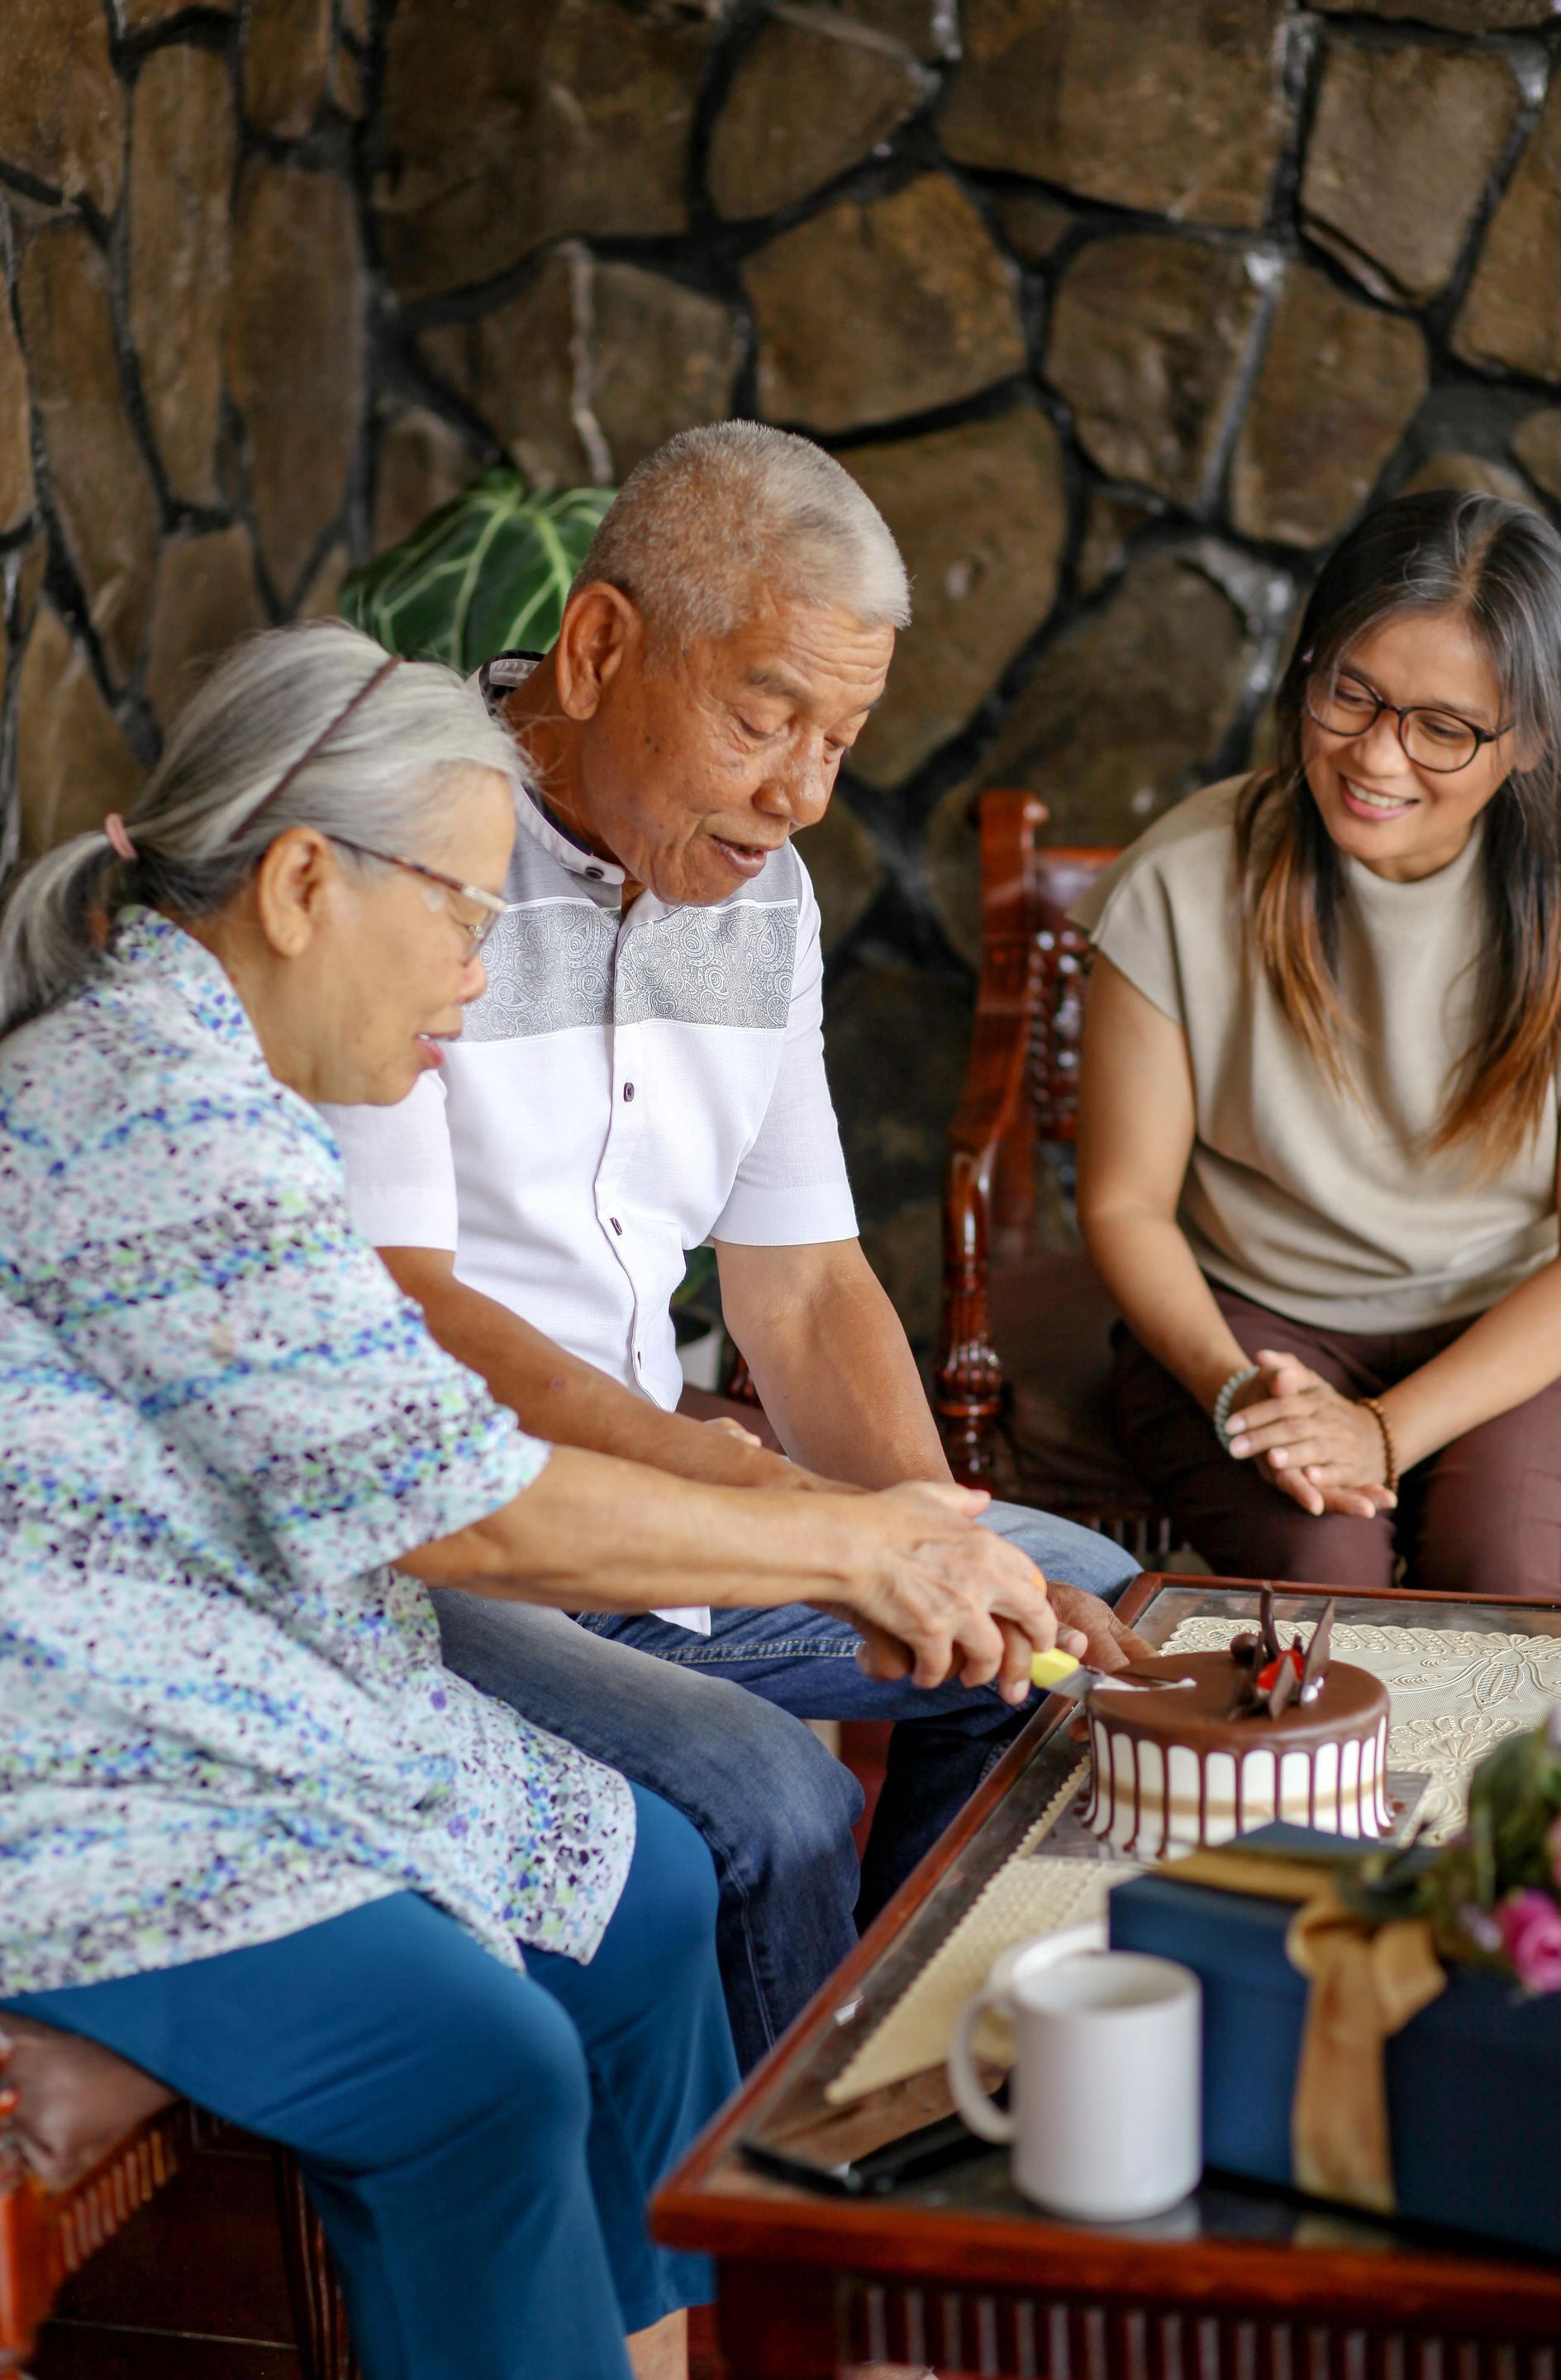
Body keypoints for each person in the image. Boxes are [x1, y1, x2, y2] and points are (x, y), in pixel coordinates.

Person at [0, 625, 1063, 2380]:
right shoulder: (148, 1110)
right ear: (298, 885)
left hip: (250, 1688)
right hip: (88, 1762)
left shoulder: (217, 1069)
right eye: (466, 918)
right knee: (480, 2071)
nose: (478, 984)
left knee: (643, 1892)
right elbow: (461, 1517)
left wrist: (837, 1514)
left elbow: (416, 1457)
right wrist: (848, 1532)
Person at [322, 423, 1145, 2041]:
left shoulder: (756, 899)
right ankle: (797, 2228)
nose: (802, 794)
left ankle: (897, 2050)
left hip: (695, 1533)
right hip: (471, 1559)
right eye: (766, 716)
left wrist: (926, 1526)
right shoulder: (403, 863)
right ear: (601, 644)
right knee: (772, 1805)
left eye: (839, 739)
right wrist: (776, 1504)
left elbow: (809, 1281)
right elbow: (414, 1319)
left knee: (1064, 1616)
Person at [1075, 489, 1561, 1600]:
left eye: (1444, 727)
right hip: (1248, 1320)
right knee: (1324, 1569)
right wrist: (1237, 1394)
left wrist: (1385, 1433)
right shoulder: (1183, 880)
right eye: (1350, 693)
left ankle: (1509, 1785)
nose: (1379, 758)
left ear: (1529, 739)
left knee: (1492, 1567)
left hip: (1510, 1323)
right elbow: (1122, 1204)